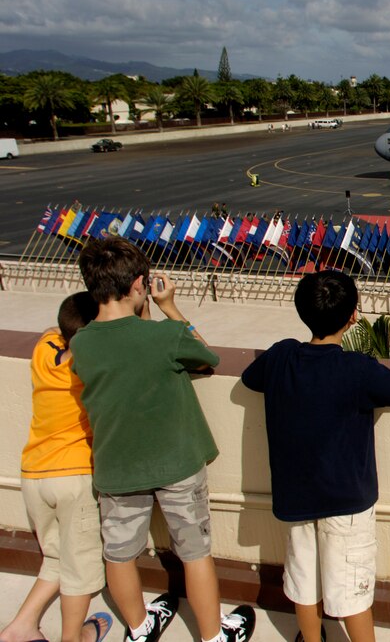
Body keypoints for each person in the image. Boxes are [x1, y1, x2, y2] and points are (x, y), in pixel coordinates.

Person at [70, 237, 255, 642]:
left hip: (117, 465)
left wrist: (142, 312)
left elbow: (124, 352)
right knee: (195, 552)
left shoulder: (80, 344)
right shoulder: (164, 337)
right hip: (177, 462)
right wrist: (168, 308)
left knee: (118, 555)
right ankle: (212, 635)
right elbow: (208, 358)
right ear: (139, 284)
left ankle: (138, 628)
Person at [242, 271, 390, 642]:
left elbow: (250, 378)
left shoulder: (280, 357)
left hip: (296, 496)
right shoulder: (357, 369)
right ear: (353, 316)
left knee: (304, 582)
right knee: (352, 593)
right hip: (346, 502)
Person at [1, 292, 113, 642]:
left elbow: (61, 328)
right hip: (74, 475)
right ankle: (72, 638)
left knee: (56, 557)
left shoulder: (45, 345)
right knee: (80, 570)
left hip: (34, 472)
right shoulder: (92, 366)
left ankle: (20, 627)